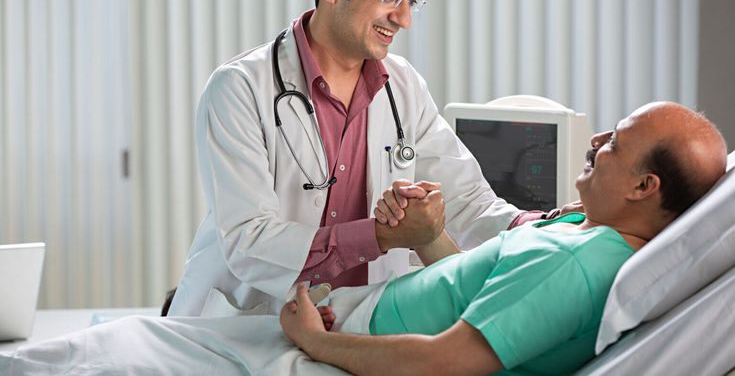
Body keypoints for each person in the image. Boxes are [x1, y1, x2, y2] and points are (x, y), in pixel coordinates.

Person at [169, 0, 526, 317]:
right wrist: (380, 235)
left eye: (411, 0)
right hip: (249, 323)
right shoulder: (240, 88)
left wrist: (543, 226)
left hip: (356, 326)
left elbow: (469, 201)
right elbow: (250, 242)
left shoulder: (403, 86)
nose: (404, 19)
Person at [280, 102, 728, 375]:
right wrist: (428, 236)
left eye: (616, 142)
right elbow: (473, 293)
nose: (597, 139)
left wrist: (316, 342)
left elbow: (439, 365)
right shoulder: (584, 230)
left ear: (643, 187)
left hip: (351, 353)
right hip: (352, 334)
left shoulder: (572, 264)